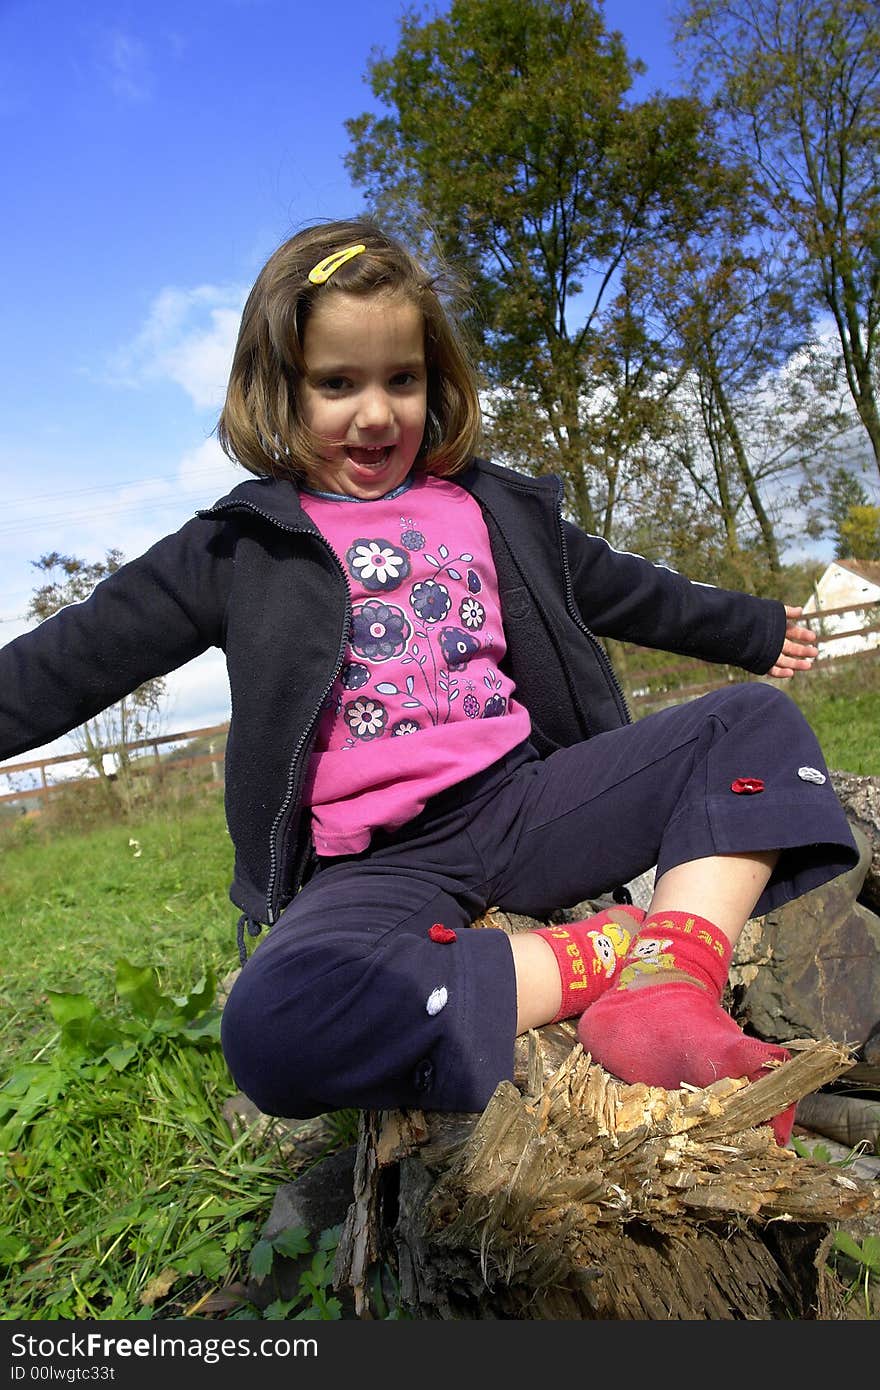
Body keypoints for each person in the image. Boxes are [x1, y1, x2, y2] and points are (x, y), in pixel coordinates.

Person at [0, 218, 857, 1148]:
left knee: (752, 726)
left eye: (400, 379)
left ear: (434, 380)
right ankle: (613, 949)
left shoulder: (485, 505)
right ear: (277, 390)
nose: (376, 414)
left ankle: (666, 983)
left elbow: (620, 586)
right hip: (376, 864)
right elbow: (73, 654)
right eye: (337, 383)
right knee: (270, 1029)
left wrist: (751, 625)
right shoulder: (238, 547)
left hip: (527, 802)